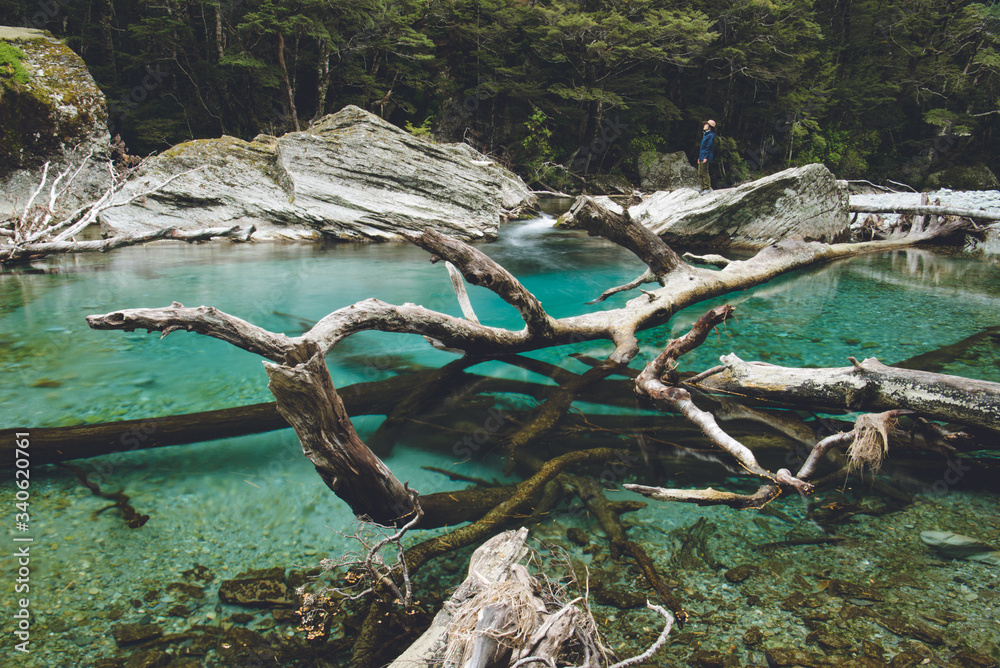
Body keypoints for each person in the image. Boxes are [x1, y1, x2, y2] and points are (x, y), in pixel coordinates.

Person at [697, 119, 716, 194]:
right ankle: (702, 187)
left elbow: (709, 147)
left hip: (706, 156)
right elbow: (702, 148)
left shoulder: (710, 135)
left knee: (704, 172)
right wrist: (699, 157)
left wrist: (705, 157)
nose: (704, 125)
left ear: (709, 126)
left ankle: (707, 188)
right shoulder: (706, 134)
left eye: (706, 124)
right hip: (702, 156)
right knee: (700, 172)